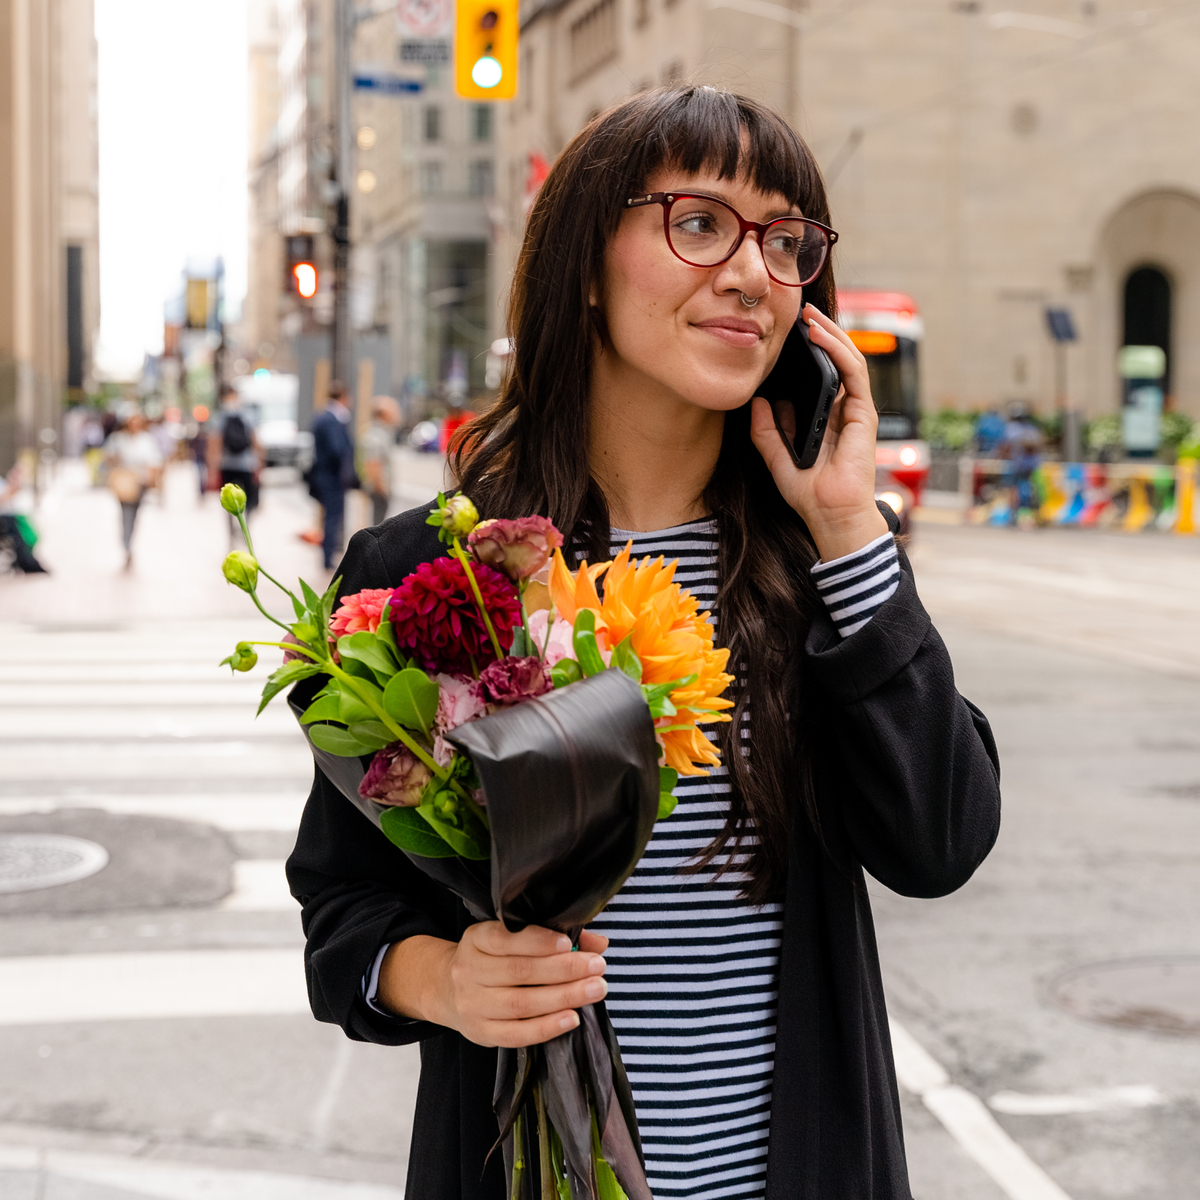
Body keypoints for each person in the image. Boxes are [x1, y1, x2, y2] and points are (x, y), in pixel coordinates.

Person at [286, 88, 1001, 1199]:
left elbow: (940, 839)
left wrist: (854, 528)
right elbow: (343, 911)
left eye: (786, 241)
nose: (753, 273)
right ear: (584, 261)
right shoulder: (431, 573)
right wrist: (445, 979)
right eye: (700, 223)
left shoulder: (820, 556)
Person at [308, 380, 356, 569]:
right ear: (343, 397)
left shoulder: (321, 417)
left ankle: (330, 553)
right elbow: (337, 450)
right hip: (331, 476)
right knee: (332, 517)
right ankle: (328, 557)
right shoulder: (332, 420)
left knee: (331, 516)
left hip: (324, 474)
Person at [106, 410, 163, 569]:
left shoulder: (147, 440)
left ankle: (129, 541)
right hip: (124, 482)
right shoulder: (118, 439)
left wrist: (152, 479)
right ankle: (126, 545)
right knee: (125, 513)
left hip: (140, 483)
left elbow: (154, 460)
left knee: (134, 513)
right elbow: (108, 458)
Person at [207, 385, 262, 543]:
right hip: (246, 465)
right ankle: (245, 528)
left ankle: (232, 532)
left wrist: (212, 466)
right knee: (250, 500)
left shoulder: (220, 416)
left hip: (227, 465)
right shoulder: (248, 414)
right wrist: (258, 462)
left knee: (229, 501)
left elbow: (215, 441)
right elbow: (256, 440)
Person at [360, 395, 400, 527]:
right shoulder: (376, 435)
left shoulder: (382, 432)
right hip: (378, 488)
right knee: (378, 525)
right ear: (383, 414)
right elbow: (373, 463)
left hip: (380, 487)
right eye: (392, 411)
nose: (395, 414)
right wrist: (380, 487)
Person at [0, 464, 48, 573]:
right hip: (7, 519)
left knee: (30, 534)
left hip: (12, 516)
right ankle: (27, 561)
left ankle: (28, 560)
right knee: (23, 532)